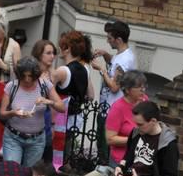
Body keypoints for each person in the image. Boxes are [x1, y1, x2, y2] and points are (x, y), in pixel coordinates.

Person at [0, 56, 64, 176]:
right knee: (11, 175)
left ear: (36, 75)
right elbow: (2, 113)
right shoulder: (12, 86)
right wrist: (14, 113)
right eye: (24, 76)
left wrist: (47, 101)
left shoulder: (44, 86)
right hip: (13, 136)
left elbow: (61, 106)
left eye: (31, 77)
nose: (27, 80)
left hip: (36, 139)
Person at [51, 30, 89, 167]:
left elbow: (48, 91)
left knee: (54, 156)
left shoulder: (62, 71)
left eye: (61, 46)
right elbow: (90, 96)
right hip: (76, 118)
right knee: (65, 155)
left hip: (60, 118)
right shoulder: (85, 70)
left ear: (67, 49)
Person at [103, 70, 148, 167]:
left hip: (141, 159)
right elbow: (110, 139)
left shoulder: (145, 101)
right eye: (139, 87)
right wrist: (134, 140)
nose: (143, 90)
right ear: (127, 90)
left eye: (144, 86)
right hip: (121, 161)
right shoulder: (117, 108)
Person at [94, 20, 135, 113]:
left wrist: (102, 70)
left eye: (110, 38)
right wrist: (104, 54)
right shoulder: (121, 55)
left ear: (119, 40)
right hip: (106, 108)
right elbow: (113, 63)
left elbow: (114, 87)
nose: (107, 41)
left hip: (112, 112)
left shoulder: (125, 60)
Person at [31, 39, 59, 164]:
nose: (52, 56)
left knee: (46, 162)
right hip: (30, 119)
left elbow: (54, 102)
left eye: (53, 53)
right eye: (48, 53)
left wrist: (53, 124)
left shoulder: (53, 74)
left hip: (46, 119)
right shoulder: (31, 72)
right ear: (39, 54)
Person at [0, 10, 20, 83]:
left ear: (4, 30)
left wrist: (4, 67)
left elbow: (19, 72)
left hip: (7, 87)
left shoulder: (14, 45)